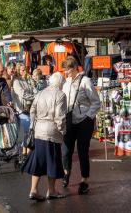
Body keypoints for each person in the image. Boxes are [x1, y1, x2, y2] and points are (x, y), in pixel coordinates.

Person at [22, 72, 67, 201]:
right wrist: (62, 131)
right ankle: (51, 191)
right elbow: (60, 116)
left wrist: (33, 125)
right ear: (60, 84)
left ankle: (33, 190)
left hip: (39, 131)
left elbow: (32, 111)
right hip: (52, 132)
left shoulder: (40, 93)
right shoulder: (60, 95)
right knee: (52, 161)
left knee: (38, 161)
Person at [62, 56, 100, 195]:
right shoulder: (66, 83)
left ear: (73, 68)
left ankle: (84, 181)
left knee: (83, 151)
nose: (65, 73)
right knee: (66, 151)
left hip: (84, 121)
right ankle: (66, 174)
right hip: (69, 121)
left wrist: (88, 117)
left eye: (66, 70)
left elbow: (96, 102)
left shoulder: (85, 81)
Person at [12, 63, 35, 158]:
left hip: (29, 108)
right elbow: (22, 94)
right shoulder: (16, 81)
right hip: (21, 109)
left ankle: (26, 150)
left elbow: (33, 90)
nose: (25, 71)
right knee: (28, 129)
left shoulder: (26, 79)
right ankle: (24, 150)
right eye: (22, 70)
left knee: (29, 130)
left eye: (25, 69)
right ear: (18, 71)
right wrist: (35, 97)